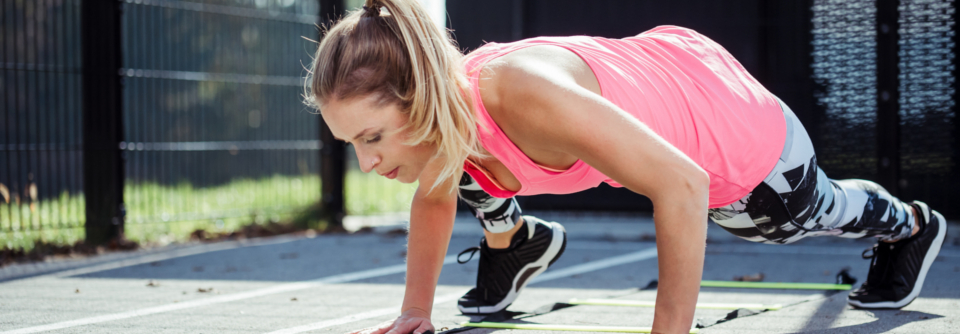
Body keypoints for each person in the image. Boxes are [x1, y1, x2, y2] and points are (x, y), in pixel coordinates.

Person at [304, 0, 948, 333]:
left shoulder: (521, 94)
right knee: (454, 163)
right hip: (664, 72)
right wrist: (416, 308)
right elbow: (435, 196)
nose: (365, 164)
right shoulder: (448, 112)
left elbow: (682, 184)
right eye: (350, 146)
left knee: (799, 217)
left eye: (372, 137)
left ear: (418, 95)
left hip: (730, 136)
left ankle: (908, 225)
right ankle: (516, 241)